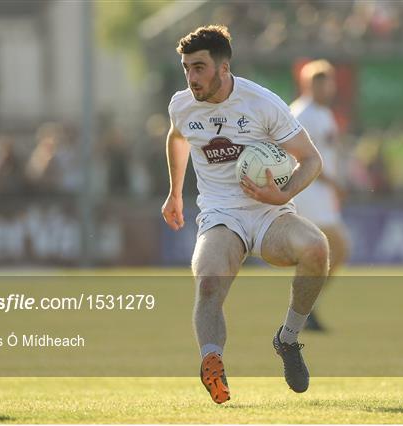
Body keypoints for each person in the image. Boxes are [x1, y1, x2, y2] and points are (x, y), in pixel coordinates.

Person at [161, 25, 329, 404]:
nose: (191, 78)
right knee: (207, 282)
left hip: (270, 213)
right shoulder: (181, 105)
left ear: (223, 68)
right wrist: (174, 192)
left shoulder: (262, 103)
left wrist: (281, 193)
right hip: (222, 215)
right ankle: (212, 362)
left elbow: (311, 160)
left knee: (317, 249)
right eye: (186, 68)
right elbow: (176, 136)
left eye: (199, 67)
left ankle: (287, 339)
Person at [291, 60, 350, 331]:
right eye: (325, 82)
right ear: (311, 84)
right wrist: (332, 182)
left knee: (328, 251)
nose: (330, 88)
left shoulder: (323, 113)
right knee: (337, 247)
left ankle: (305, 307)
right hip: (309, 191)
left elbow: (330, 151)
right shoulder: (301, 114)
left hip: (322, 192)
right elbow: (299, 156)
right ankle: (304, 307)